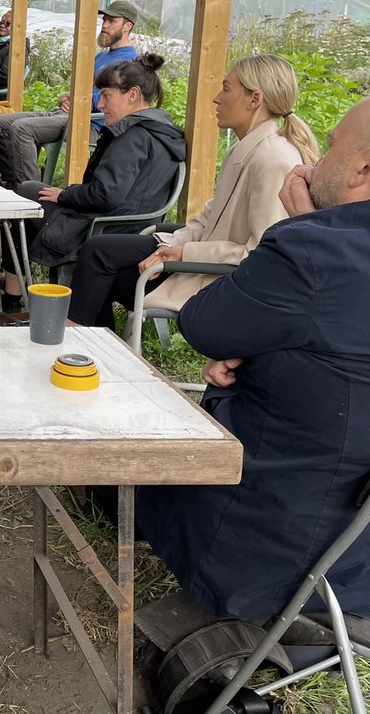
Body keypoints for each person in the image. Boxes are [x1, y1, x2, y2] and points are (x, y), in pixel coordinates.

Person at [138, 98, 370, 620]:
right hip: (358, 551)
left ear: (362, 168)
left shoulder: (315, 253)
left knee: (127, 457)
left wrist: (307, 228)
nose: (314, 160)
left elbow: (202, 323)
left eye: (331, 144)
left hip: (273, 545)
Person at [68, 54, 319, 330]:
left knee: (103, 272)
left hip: (214, 278)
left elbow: (260, 254)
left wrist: (184, 253)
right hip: (198, 256)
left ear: (254, 99)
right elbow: (209, 219)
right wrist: (171, 244)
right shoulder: (244, 149)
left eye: (225, 89)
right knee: (97, 251)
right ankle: (87, 341)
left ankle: (81, 339)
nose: (216, 98)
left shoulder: (274, 160)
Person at [0, 53, 186, 316]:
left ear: (132, 95)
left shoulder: (132, 136)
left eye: (107, 95)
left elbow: (106, 195)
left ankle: (15, 298)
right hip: (136, 223)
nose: (101, 103)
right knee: (32, 195)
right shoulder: (161, 129)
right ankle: (25, 296)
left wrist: (66, 195)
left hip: (105, 226)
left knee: (23, 195)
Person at [0, 0, 141, 188]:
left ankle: (33, 195)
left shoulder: (131, 62)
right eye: (104, 20)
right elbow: (85, 90)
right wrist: (68, 96)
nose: (104, 25)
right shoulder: (102, 57)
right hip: (67, 114)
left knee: (21, 129)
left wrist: (81, 101)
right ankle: (8, 184)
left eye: (111, 21)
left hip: (92, 124)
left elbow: (119, 103)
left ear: (127, 26)